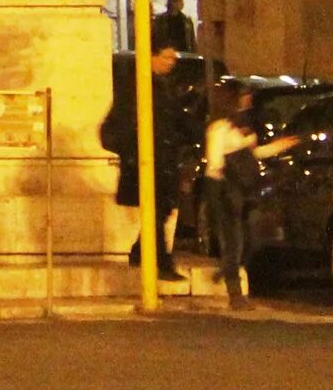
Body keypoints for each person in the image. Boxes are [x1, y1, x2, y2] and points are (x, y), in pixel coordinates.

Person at [104, 43, 199, 280]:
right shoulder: (138, 86)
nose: (171, 63)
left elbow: (176, 119)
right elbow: (122, 121)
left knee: (160, 209)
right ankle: (160, 261)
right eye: (166, 58)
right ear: (151, 56)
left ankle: (141, 252)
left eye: (173, 59)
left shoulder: (161, 86)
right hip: (147, 161)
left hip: (162, 160)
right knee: (156, 210)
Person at [200, 81, 295, 301]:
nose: (248, 98)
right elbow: (215, 162)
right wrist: (235, 162)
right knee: (232, 238)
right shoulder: (219, 128)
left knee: (250, 236)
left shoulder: (241, 124)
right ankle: (235, 292)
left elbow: (253, 154)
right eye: (243, 94)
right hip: (223, 187)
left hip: (243, 187)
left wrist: (278, 147)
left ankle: (227, 270)